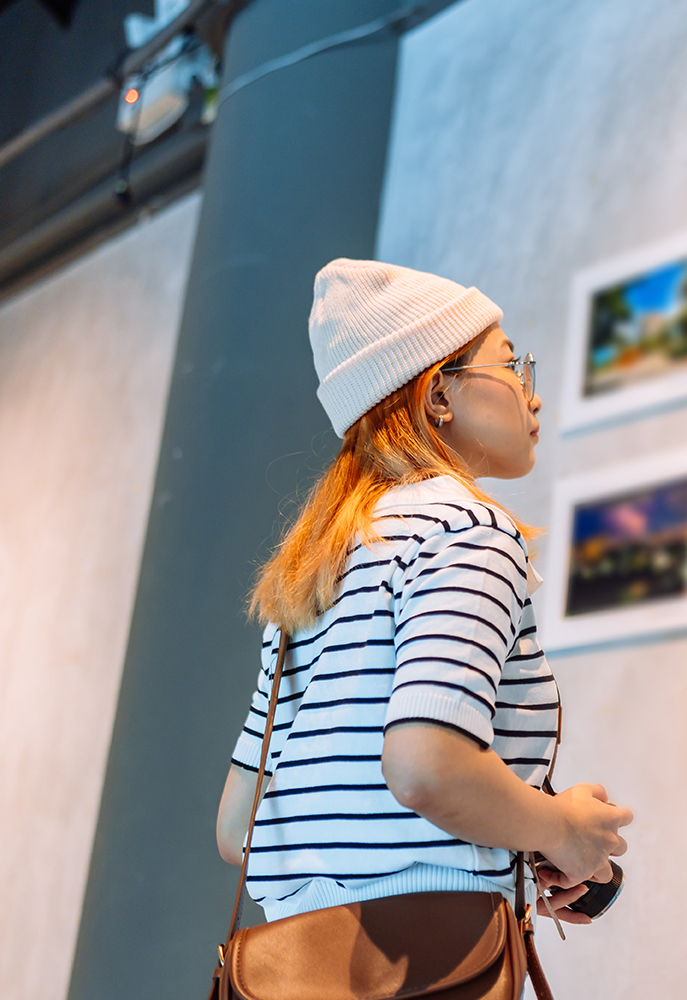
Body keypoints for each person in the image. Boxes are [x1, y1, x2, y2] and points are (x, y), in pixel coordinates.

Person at [214, 258, 631, 928]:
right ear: (439, 394)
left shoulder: (316, 567)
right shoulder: (467, 531)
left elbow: (240, 828)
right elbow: (426, 769)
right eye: (512, 364)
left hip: (294, 955)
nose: (534, 394)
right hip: (432, 948)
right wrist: (560, 828)